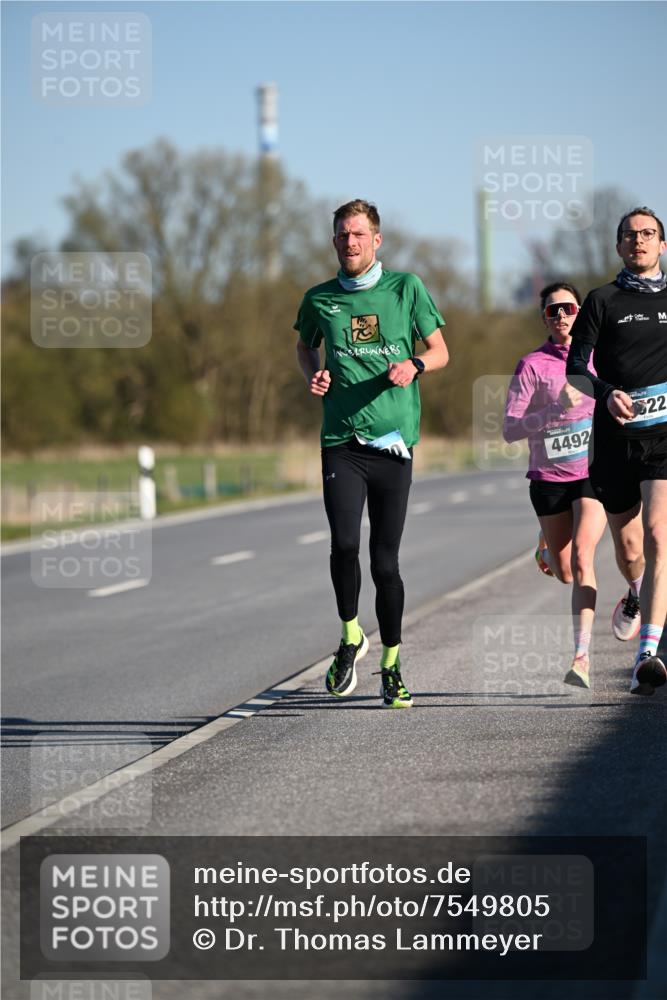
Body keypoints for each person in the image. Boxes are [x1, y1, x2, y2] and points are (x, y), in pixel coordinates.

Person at [295, 199, 448, 708]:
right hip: (341, 441)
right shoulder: (319, 298)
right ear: (334, 240)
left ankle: (392, 667)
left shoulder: (406, 289)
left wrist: (416, 366)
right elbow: (305, 347)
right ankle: (349, 635)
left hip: (393, 446)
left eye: (358, 234)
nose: (350, 242)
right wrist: (312, 372)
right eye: (342, 235)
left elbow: (441, 350)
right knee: (343, 544)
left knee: (385, 563)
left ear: (376, 239)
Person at [566, 207, 667, 695]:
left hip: (663, 439)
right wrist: (605, 393)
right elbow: (574, 368)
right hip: (614, 441)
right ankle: (633, 592)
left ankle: (646, 655)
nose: (639, 241)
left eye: (648, 234)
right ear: (618, 246)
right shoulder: (601, 300)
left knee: (658, 536)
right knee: (630, 552)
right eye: (630, 235)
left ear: (662, 245)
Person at [503, 282, 618, 689]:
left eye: (568, 308)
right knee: (565, 571)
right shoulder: (532, 365)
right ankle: (547, 546)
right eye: (553, 311)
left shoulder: (599, 357)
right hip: (549, 479)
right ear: (544, 319)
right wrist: (553, 409)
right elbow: (509, 429)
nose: (562, 316)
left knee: (586, 559)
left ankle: (582, 657)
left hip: (592, 472)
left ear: (580, 311)